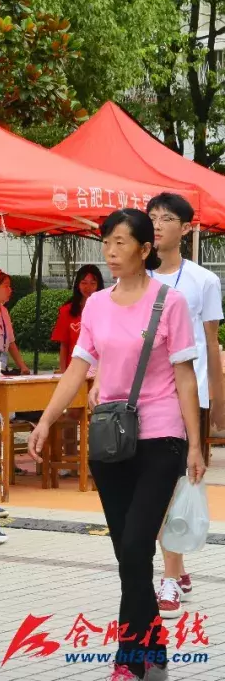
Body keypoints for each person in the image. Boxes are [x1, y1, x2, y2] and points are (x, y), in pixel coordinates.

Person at [29, 208, 205, 681]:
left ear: (146, 250)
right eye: (106, 242)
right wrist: (46, 420)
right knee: (127, 554)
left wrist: (195, 443)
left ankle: (128, 659)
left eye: (121, 243)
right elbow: (77, 368)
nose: (110, 251)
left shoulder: (170, 303)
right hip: (111, 441)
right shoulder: (97, 304)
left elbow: (186, 377)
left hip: (162, 437)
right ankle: (155, 645)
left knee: (134, 544)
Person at [145, 192, 224, 619]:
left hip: (189, 399)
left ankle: (170, 576)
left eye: (168, 218)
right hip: (145, 399)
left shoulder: (203, 281)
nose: (157, 225)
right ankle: (176, 565)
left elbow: (212, 345)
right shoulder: (133, 279)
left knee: (175, 488)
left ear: (187, 228)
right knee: (157, 488)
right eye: (152, 217)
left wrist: (219, 403)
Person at [51, 265, 104, 372]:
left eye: (93, 283)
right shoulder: (67, 311)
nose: (88, 287)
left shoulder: (106, 309)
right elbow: (64, 345)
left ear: (99, 286)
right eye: (84, 283)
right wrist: (63, 372)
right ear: (77, 285)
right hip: (74, 370)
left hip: (99, 371)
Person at [0, 270, 30, 374]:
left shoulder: (4, 311)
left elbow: (11, 342)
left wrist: (23, 366)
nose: (10, 290)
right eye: (6, 286)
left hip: (2, 365)